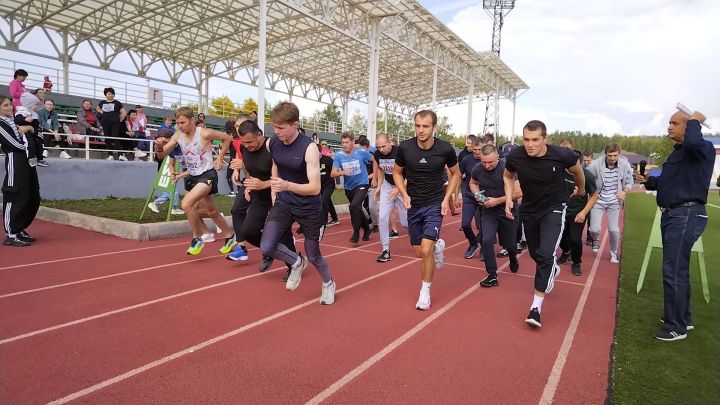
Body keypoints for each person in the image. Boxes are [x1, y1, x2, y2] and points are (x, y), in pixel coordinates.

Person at [636, 109, 713, 341]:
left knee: (673, 271)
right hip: (675, 215)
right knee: (678, 270)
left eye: (675, 123)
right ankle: (683, 318)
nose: (669, 127)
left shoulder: (702, 148)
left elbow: (693, 141)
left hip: (686, 214)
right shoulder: (680, 153)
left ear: (688, 128)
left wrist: (695, 120)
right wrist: (650, 181)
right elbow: (669, 183)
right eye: (669, 122)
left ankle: (675, 326)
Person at [503, 120, 585, 328]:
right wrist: (508, 198)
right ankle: (552, 268)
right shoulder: (516, 156)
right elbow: (507, 175)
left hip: (555, 208)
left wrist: (581, 190)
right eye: (526, 140)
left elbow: (578, 172)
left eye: (535, 140)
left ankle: (535, 308)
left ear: (545, 139)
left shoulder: (562, 155)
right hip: (530, 210)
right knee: (536, 254)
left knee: (546, 254)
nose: (530, 144)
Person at [259, 101, 336, 305]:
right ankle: (296, 261)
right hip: (284, 202)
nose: (277, 132)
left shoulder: (309, 148)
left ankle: (328, 284)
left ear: (295, 124)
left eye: (281, 128)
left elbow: (315, 188)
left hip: (309, 208)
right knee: (267, 246)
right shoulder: (272, 143)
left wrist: (286, 185)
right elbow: (276, 163)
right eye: (274, 127)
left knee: (314, 255)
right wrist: (276, 189)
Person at [393, 110, 460, 311]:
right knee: (418, 252)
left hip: (434, 204)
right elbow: (397, 172)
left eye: (425, 126)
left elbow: (456, 174)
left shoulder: (445, 149)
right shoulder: (405, 148)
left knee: (425, 249)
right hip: (414, 205)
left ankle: (425, 292)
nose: (420, 130)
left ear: (434, 127)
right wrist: (403, 193)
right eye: (417, 126)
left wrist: (447, 198)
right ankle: (438, 247)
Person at [155, 106, 236, 255]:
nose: (179, 126)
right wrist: (159, 147)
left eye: (182, 122)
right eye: (177, 123)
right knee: (211, 211)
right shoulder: (178, 135)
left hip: (207, 175)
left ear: (192, 120)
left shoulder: (204, 133)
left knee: (186, 204)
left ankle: (197, 238)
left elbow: (227, 138)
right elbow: (162, 155)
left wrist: (219, 158)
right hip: (192, 176)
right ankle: (230, 236)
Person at [226, 120, 298, 276]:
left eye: (250, 142)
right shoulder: (245, 149)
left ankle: (293, 264)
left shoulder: (273, 147)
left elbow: (284, 176)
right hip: (259, 197)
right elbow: (248, 170)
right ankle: (271, 251)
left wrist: (263, 184)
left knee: (283, 234)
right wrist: (248, 185)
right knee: (248, 231)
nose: (246, 145)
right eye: (243, 142)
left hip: (279, 197)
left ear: (260, 134)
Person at [470, 144, 521, 287]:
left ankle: (513, 257)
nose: (486, 165)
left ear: (498, 157)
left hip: (508, 210)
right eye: (483, 162)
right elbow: (473, 183)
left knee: (510, 245)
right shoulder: (477, 168)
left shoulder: (508, 168)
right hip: (488, 212)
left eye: (490, 162)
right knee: (486, 241)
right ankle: (492, 275)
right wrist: (477, 194)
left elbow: (518, 192)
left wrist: (497, 200)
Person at [1, 95, 40, 246]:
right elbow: (14, 145)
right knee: (15, 194)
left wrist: (30, 128)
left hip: (28, 161)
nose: (10, 107)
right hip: (15, 160)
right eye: (5, 106)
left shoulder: (15, 119)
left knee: (31, 195)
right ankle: (11, 233)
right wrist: (32, 148)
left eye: (10, 105)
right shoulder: (1, 123)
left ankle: (19, 228)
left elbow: (36, 132)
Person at [587, 143, 633, 263]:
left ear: (619, 154)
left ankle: (613, 253)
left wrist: (625, 191)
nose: (612, 158)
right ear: (605, 154)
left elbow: (629, 181)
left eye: (615, 155)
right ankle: (595, 239)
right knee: (595, 228)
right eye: (610, 155)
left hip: (614, 201)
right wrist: (591, 192)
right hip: (598, 200)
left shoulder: (624, 164)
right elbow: (586, 176)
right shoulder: (596, 164)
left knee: (614, 230)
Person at [557, 150, 599, 276]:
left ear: (578, 163)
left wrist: (584, 212)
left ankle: (576, 262)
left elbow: (594, 196)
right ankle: (566, 252)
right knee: (559, 238)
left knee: (575, 238)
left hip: (578, 212)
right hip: (561, 210)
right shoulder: (560, 172)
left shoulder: (588, 176)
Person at [331, 131, 375, 243]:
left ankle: (356, 233)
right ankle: (366, 228)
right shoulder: (339, 156)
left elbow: (374, 161)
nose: (344, 145)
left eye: (347, 142)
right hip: (349, 187)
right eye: (343, 142)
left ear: (353, 142)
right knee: (357, 208)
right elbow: (333, 174)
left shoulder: (361, 152)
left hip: (362, 183)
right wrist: (342, 172)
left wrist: (374, 177)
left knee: (353, 206)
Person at [373, 132, 408, 262]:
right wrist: (379, 187)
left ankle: (419, 236)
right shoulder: (377, 155)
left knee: (405, 222)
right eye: (378, 147)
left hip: (403, 186)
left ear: (389, 143)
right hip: (388, 186)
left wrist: (399, 189)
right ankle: (385, 250)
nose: (381, 150)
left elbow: (410, 175)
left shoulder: (400, 153)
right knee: (382, 217)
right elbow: (381, 170)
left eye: (383, 146)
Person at [458, 137, 484, 260]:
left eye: (480, 149)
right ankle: (473, 243)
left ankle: (485, 247)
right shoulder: (466, 160)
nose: (477, 152)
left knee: (483, 225)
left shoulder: (489, 159)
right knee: (465, 224)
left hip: (485, 196)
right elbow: (458, 176)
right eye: (475, 149)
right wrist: (455, 195)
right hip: (469, 195)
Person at [147, 129, 184, 216]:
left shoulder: (169, 147)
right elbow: (160, 158)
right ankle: (170, 207)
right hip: (165, 172)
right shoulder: (163, 148)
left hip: (166, 171)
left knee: (169, 192)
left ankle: (172, 207)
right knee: (172, 191)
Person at [97, 87, 127, 161]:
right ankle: (110, 155)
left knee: (115, 137)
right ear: (106, 94)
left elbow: (124, 113)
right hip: (105, 123)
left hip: (115, 123)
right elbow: (97, 108)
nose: (111, 95)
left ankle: (120, 155)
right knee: (107, 138)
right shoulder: (102, 102)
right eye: (109, 94)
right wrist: (104, 113)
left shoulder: (117, 103)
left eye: (112, 94)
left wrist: (119, 121)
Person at [319, 143, 339, 229]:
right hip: (320, 186)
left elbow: (335, 170)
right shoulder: (312, 161)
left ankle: (324, 222)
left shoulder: (327, 159)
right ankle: (335, 219)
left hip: (329, 184)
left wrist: (338, 183)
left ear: (320, 151)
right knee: (328, 202)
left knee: (323, 201)